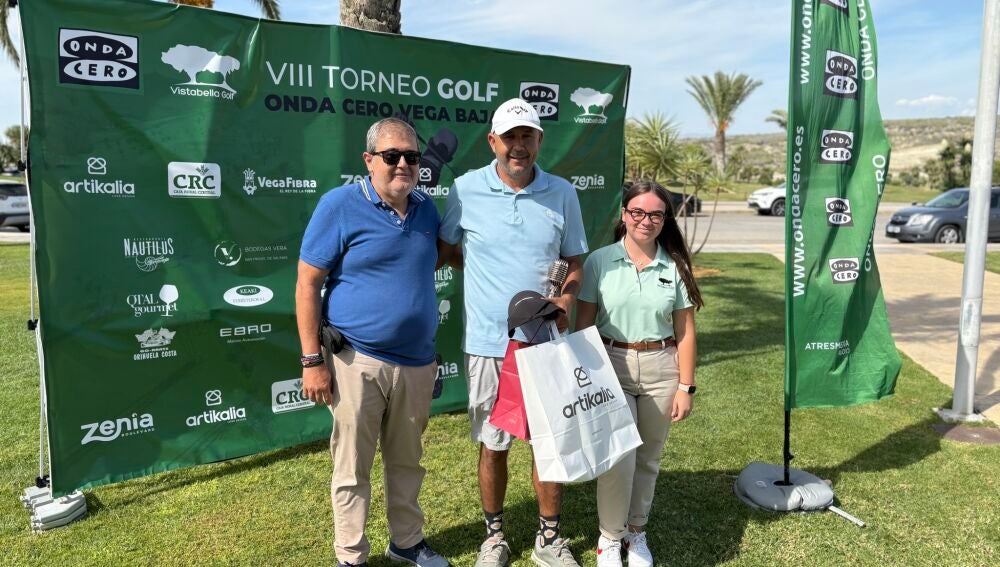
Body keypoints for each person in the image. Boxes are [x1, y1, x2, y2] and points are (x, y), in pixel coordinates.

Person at [438, 98, 588, 567]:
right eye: (509, 137)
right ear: (492, 142)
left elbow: (575, 260)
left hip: (544, 343)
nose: (518, 146)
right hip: (488, 345)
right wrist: (483, 273)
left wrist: (567, 297)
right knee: (493, 444)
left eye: (527, 136)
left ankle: (549, 539)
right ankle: (494, 537)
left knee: (549, 442)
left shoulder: (562, 192)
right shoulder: (465, 189)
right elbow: (448, 249)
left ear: (540, 140)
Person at [295, 117, 448, 567]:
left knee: (407, 463)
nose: (403, 164)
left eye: (412, 156)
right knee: (352, 466)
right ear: (368, 160)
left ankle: (406, 542)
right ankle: (351, 556)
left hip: (417, 363)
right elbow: (307, 284)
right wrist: (311, 361)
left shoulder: (426, 208)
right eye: (391, 155)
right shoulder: (339, 205)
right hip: (356, 360)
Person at [576, 180, 704, 567]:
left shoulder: (675, 266)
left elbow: (685, 331)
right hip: (610, 364)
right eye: (638, 212)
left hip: (661, 368)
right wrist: (584, 379)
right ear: (624, 214)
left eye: (655, 214)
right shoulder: (599, 261)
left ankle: (636, 532)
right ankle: (610, 538)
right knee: (619, 458)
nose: (646, 220)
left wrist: (686, 386)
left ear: (665, 220)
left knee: (648, 457)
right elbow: (584, 326)